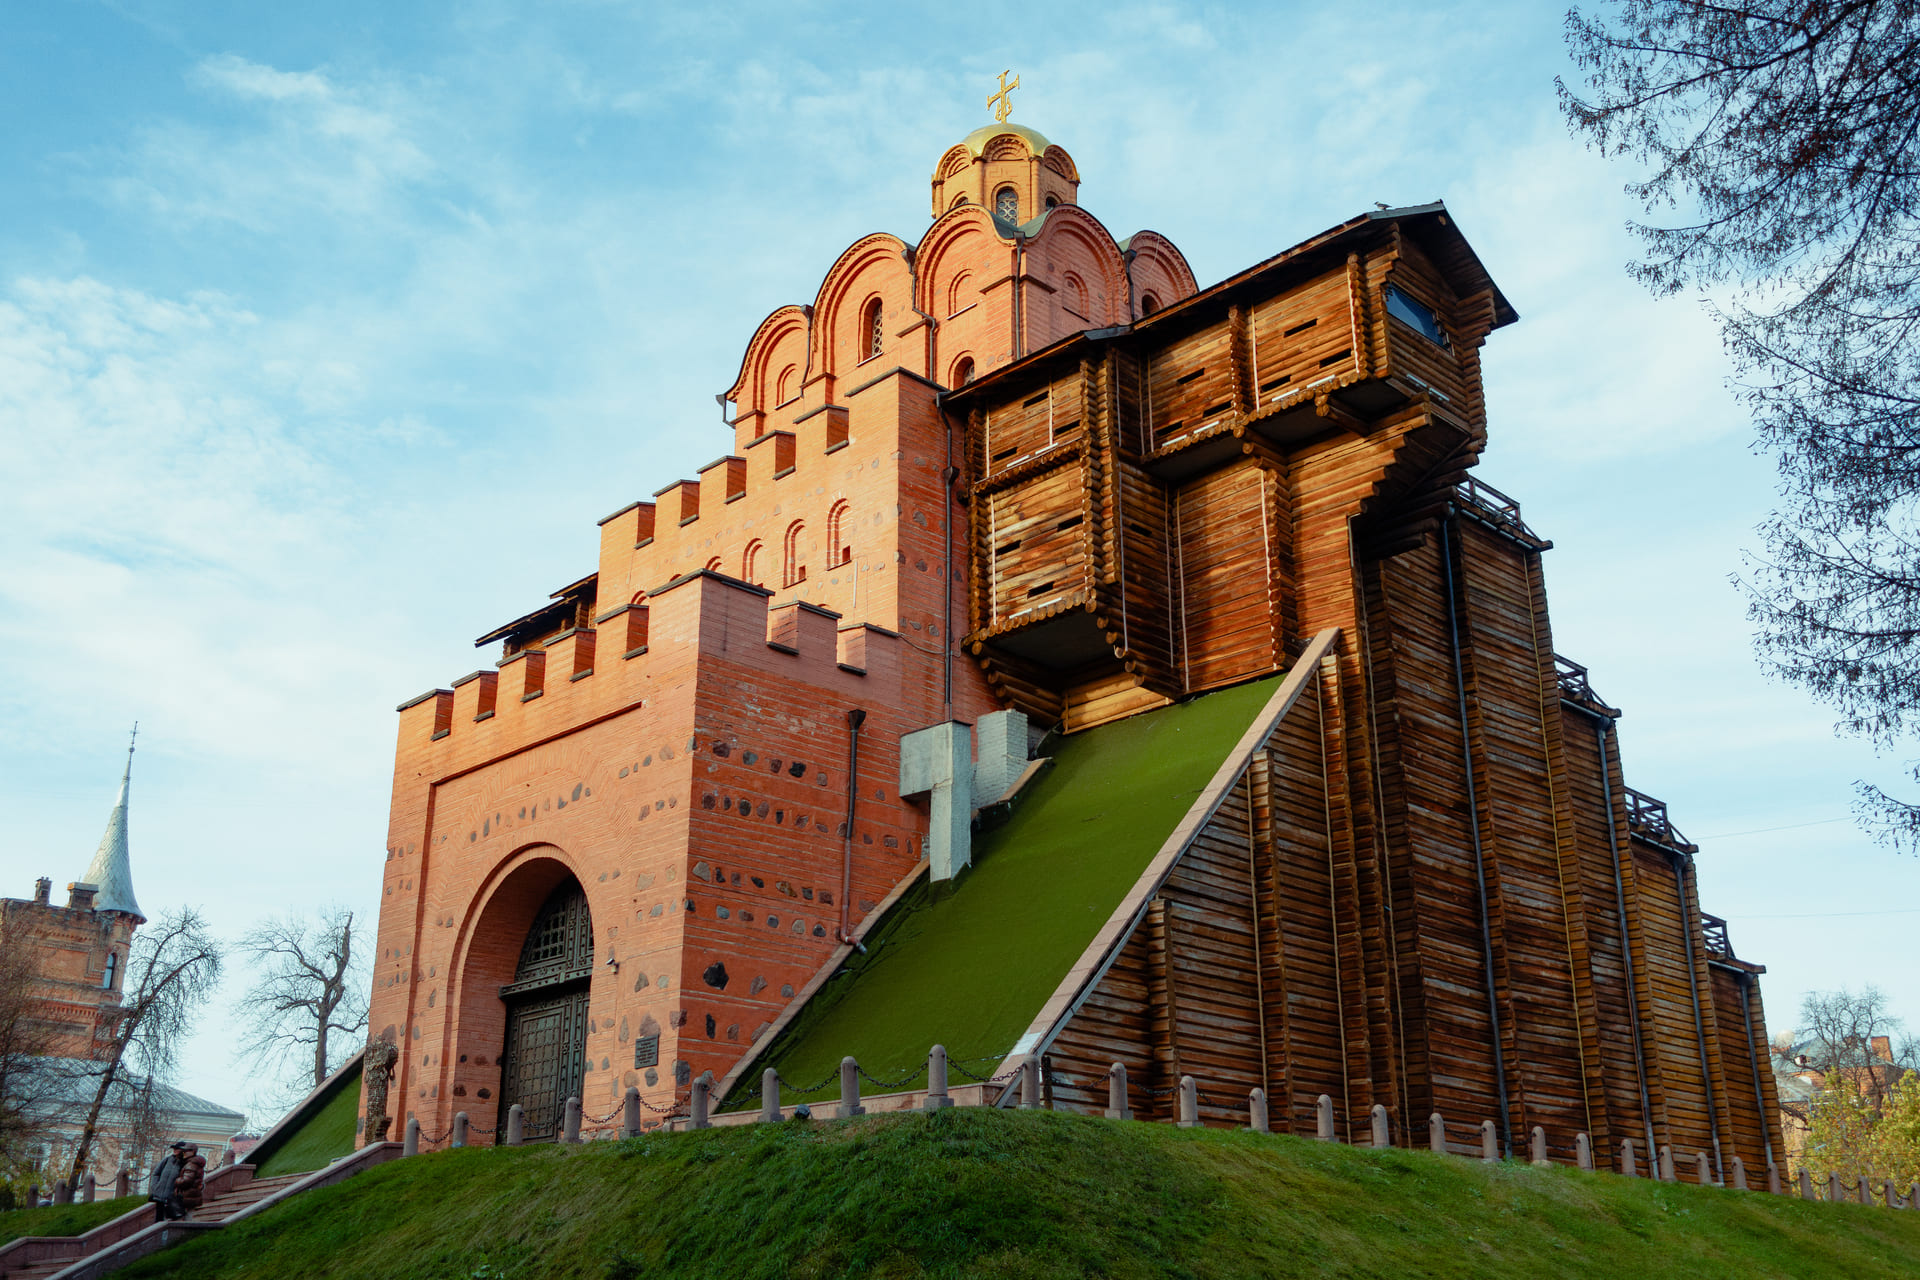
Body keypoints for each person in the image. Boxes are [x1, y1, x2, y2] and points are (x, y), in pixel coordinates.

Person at [147, 1143, 186, 1220]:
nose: (174, 1150)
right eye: (174, 1149)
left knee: (169, 1220)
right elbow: (156, 1173)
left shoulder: (184, 1164)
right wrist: (155, 1186)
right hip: (158, 1196)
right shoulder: (167, 1160)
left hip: (171, 1198)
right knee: (157, 1220)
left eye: (177, 1149)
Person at [173, 1144, 206, 1218]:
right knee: (188, 1215)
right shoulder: (193, 1163)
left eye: (186, 1151)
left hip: (187, 1195)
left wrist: (175, 1180)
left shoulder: (191, 1164)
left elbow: (186, 1180)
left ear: (193, 1152)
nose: (184, 1153)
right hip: (192, 1194)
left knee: (185, 1217)